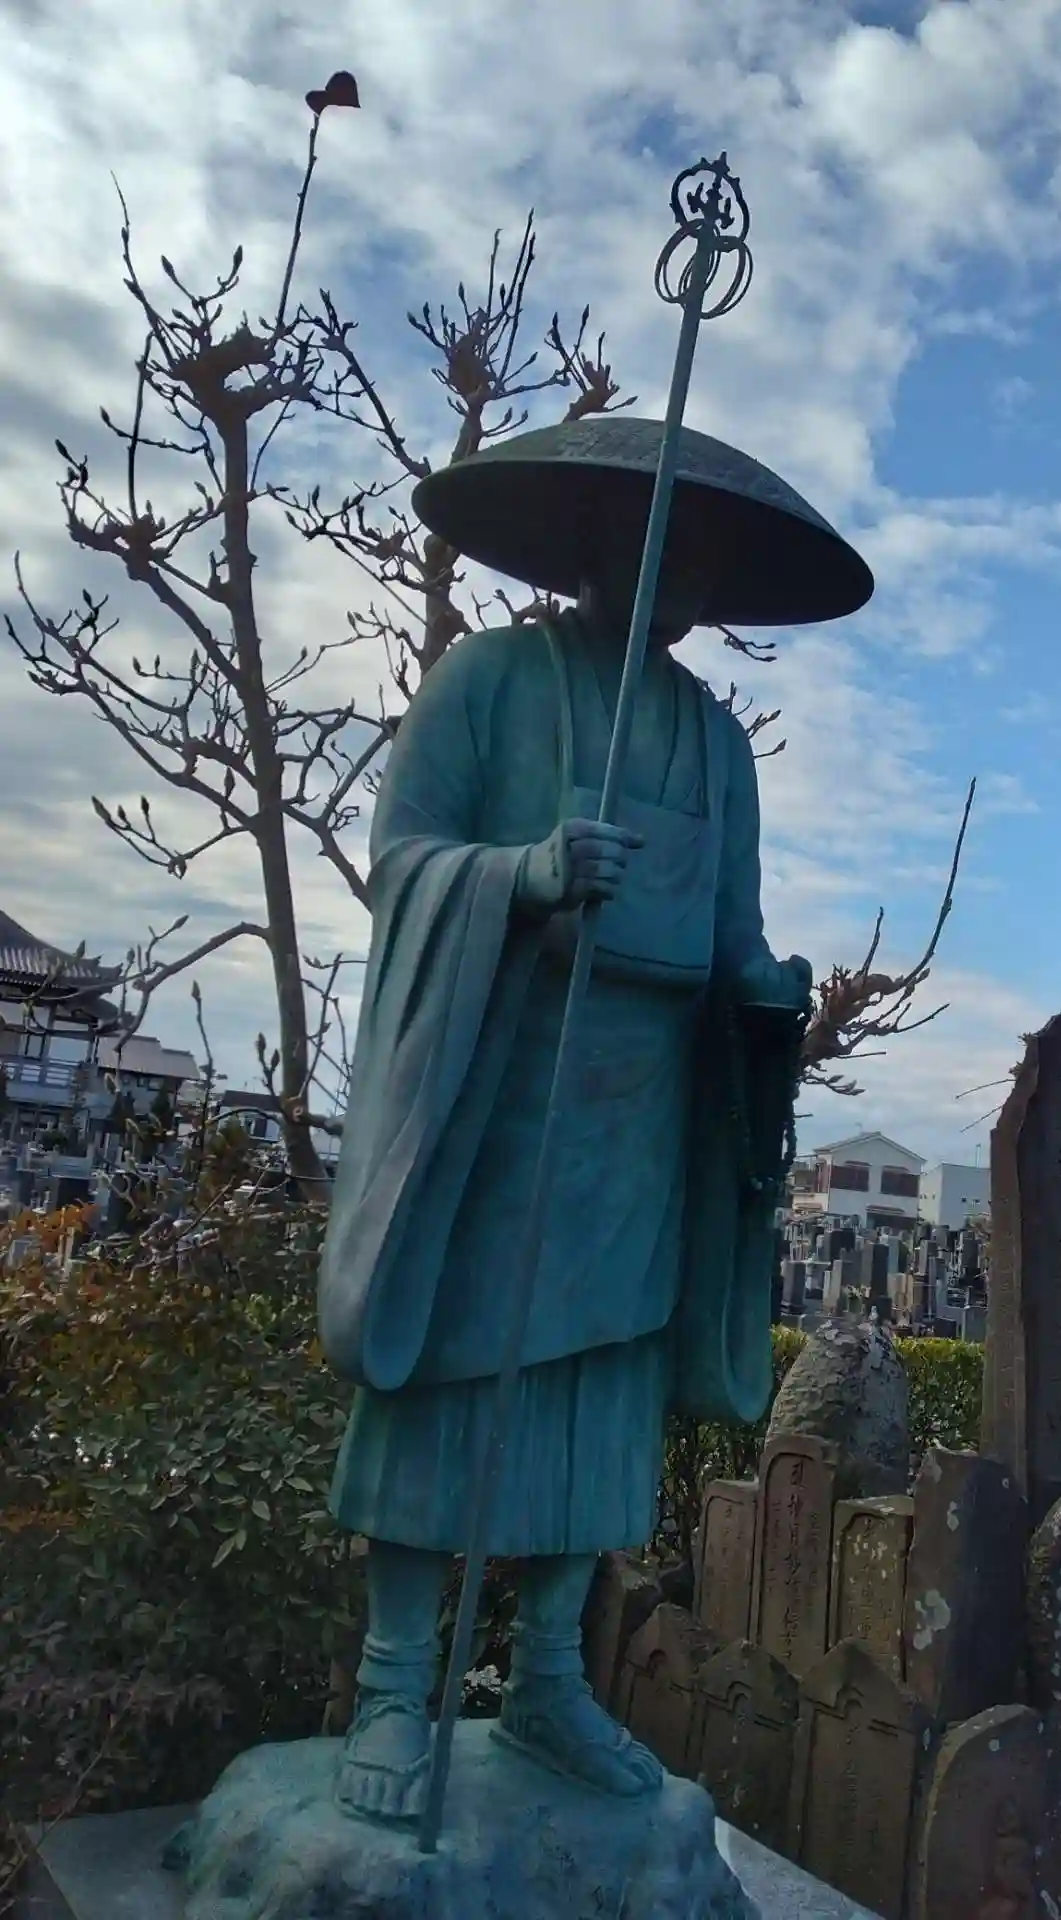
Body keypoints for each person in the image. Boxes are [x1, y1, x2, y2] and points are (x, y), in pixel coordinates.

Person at [314, 417, 872, 1822]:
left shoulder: (719, 745)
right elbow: (405, 860)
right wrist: (521, 877)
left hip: (639, 1116)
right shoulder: (488, 680)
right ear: (589, 547)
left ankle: (553, 1675)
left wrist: (767, 994)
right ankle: (395, 1680)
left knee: (600, 1393)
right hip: (497, 1089)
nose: (675, 581)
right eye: (653, 547)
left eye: (701, 564)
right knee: (450, 1369)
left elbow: (734, 935)